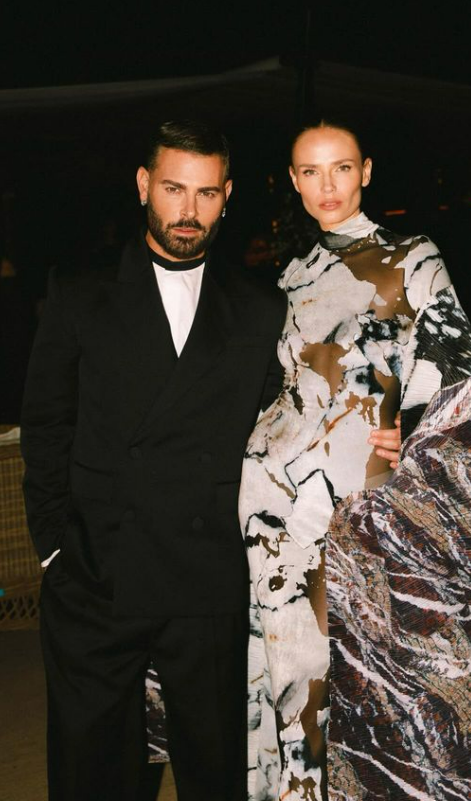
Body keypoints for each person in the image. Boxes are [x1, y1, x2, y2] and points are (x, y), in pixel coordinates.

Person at [239, 122, 471, 800]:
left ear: (365, 171)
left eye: (341, 168)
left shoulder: (412, 256)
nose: (328, 186)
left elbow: (463, 370)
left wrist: (412, 424)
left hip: (365, 507)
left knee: (378, 687)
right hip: (277, 505)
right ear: (293, 180)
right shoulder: (289, 274)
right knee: (296, 682)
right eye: (311, 172)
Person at [20, 119, 289, 801]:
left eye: (206, 193)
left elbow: (288, 421)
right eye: (174, 189)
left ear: (227, 197)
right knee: (91, 769)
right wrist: (53, 546)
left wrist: (383, 430)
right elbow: (47, 424)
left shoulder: (260, 307)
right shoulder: (79, 291)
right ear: (144, 186)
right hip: (95, 571)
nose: (188, 210)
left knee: (214, 769)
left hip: (205, 576)